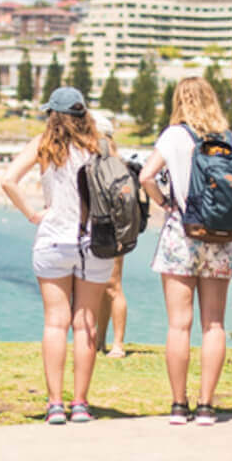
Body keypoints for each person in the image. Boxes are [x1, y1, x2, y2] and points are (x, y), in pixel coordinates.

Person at [142, 77, 232, 425]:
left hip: (181, 233)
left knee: (178, 325)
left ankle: (179, 405)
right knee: (214, 323)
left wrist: (165, 203)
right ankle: (206, 405)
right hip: (220, 238)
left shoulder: (174, 136)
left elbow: (146, 175)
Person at [2, 86, 112, 424]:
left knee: (55, 322)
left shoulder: (43, 145)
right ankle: (80, 403)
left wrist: (33, 214)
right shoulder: (101, 145)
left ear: (54, 114)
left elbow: (8, 181)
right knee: (86, 323)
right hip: (94, 240)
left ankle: (54, 405)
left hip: (53, 239)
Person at [94, 113, 131, 358]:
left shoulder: (113, 163)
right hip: (106, 228)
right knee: (104, 287)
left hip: (113, 228)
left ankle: (117, 343)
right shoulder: (109, 161)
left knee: (113, 286)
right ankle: (100, 341)